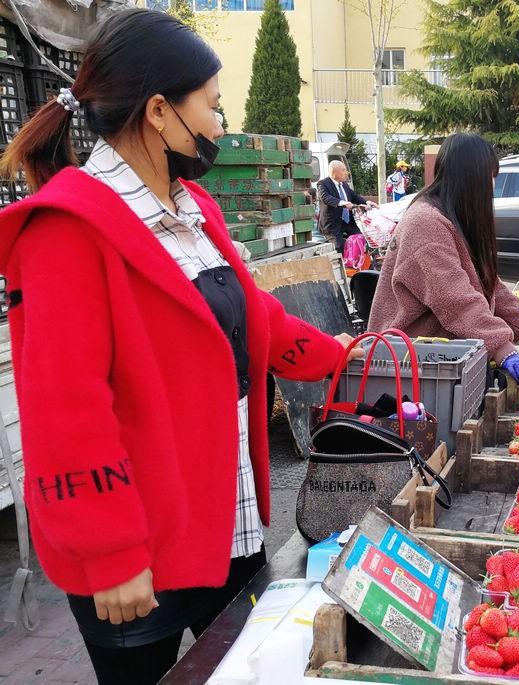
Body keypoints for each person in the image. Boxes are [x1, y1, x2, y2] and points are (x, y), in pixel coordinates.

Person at [0, 10, 362, 684]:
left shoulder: (194, 209)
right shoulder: (69, 228)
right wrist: (111, 552)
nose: (220, 127)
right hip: (141, 550)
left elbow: (255, 319)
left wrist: (340, 355)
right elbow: (64, 408)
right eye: (214, 107)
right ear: (160, 111)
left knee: (254, 669)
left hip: (230, 521)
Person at [369, 132, 519, 387]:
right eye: (490, 178)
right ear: (472, 179)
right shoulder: (425, 224)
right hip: (410, 364)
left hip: (441, 359)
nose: (492, 188)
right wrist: (503, 348)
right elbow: (455, 298)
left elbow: (489, 284)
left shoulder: (451, 217)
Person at [317, 160, 377, 252]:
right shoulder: (323, 184)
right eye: (344, 170)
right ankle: (342, 264)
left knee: (363, 240)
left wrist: (367, 202)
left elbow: (354, 197)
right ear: (334, 172)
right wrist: (343, 203)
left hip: (347, 222)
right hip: (332, 225)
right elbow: (325, 197)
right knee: (339, 246)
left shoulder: (344, 185)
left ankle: (356, 263)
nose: (347, 173)